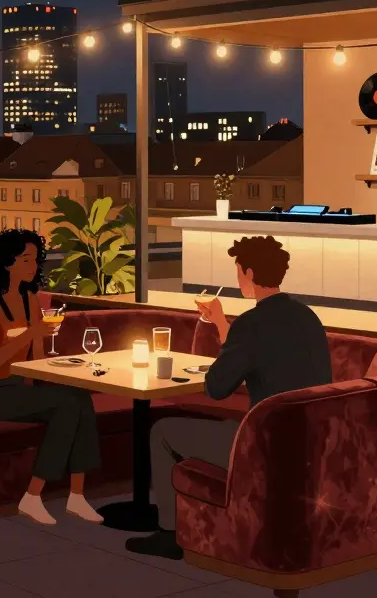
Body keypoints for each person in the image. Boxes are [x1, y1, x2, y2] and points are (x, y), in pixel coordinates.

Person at [126, 235, 332, 560]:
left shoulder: (251, 324)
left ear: (248, 272)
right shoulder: (308, 317)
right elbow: (259, 355)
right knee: (223, 425)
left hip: (261, 448)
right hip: (310, 441)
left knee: (162, 432)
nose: (238, 279)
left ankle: (170, 533)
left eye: (238, 271)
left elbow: (216, 387)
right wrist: (223, 324)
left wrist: (226, 336)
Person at [0, 229, 103, 526]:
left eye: (35, 260)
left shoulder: (30, 300)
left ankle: (77, 496)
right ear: (6, 263)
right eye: (25, 259)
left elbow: (36, 360)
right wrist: (29, 333)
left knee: (79, 398)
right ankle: (32, 496)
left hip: (20, 387)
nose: (33, 266)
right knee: (65, 406)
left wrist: (48, 349)